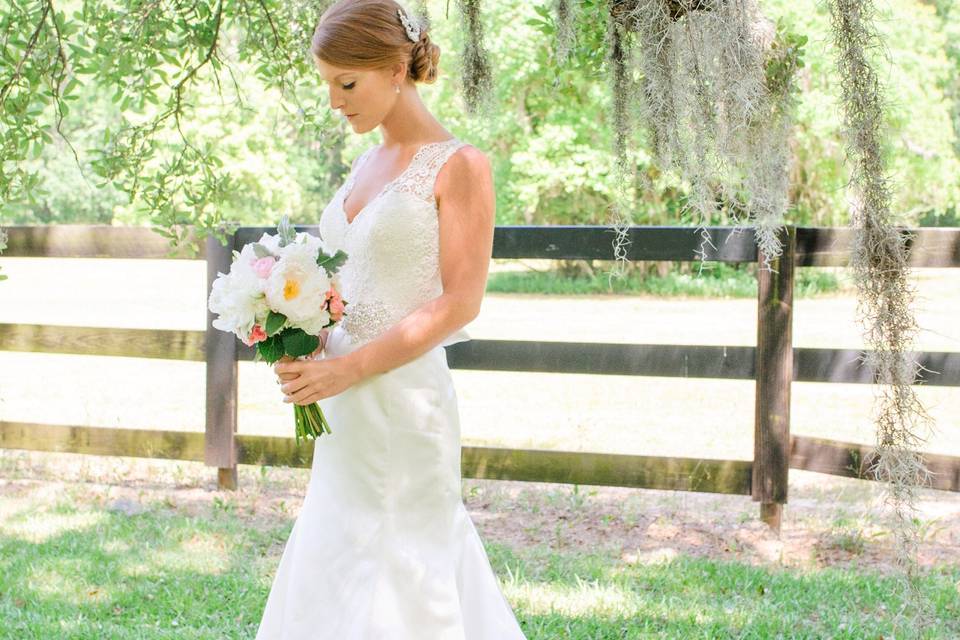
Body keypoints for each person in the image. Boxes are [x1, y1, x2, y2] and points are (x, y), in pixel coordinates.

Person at [255, 1, 528, 638]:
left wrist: (349, 368)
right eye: (326, 84)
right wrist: (302, 334)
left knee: (410, 548)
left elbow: (461, 301)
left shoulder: (462, 167)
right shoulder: (363, 164)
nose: (334, 101)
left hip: (403, 400)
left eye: (346, 83)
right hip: (340, 400)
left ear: (397, 68)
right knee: (336, 540)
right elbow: (347, 283)